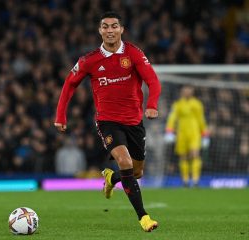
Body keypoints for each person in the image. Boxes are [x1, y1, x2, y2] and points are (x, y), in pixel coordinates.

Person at [54, 11, 161, 232]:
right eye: (105, 26)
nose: (110, 30)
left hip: (134, 121)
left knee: (136, 172)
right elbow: (69, 84)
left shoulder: (133, 53)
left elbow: (152, 80)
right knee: (125, 162)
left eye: (114, 26)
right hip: (107, 121)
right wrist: (60, 115)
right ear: (99, 30)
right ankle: (144, 217)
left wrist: (152, 104)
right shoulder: (89, 60)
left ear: (121, 30)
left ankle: (111, 179)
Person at [164, 86, 209, 187]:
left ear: (192, 92)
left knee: (195, 154)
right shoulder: (178, 104)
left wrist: (205, 134)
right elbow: (172, 118)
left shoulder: (197, 104)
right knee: (183, 157)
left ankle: (195, 180)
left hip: (194, 133)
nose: (187, 92)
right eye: (185, 90)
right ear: (182, 92)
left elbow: (201, 119)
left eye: (189, 90)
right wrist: (169, 131)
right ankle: (185, 180)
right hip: (182, 134)